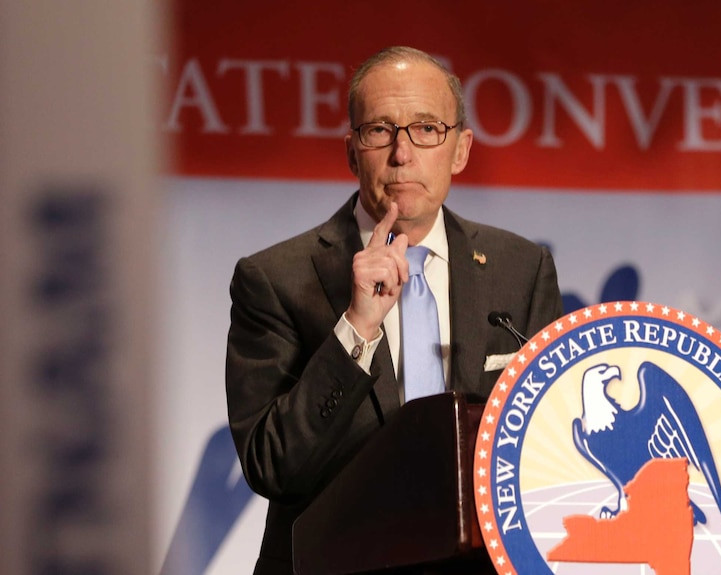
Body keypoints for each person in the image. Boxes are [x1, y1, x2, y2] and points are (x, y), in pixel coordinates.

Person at [225, 46, 563, 575]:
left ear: (460, 150)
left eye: (427, 129)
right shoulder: (274, 279)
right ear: (351, 151)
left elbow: (551, 447)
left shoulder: (521, 269)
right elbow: (272, 467)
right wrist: (357, 327)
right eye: (379, 130)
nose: (402, 153)